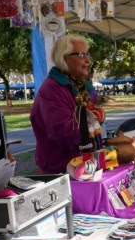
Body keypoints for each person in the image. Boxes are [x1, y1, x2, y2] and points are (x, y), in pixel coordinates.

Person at [30, 35, 103, 174]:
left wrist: (95, 116)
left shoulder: (82, 87)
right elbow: (63, 133)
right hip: (61, 171)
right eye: (81, 55)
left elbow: (89, 123)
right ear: (64, 58)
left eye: (87, 54)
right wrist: (93, 119)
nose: (87, 60)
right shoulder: (51, 89)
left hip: (84, 166)